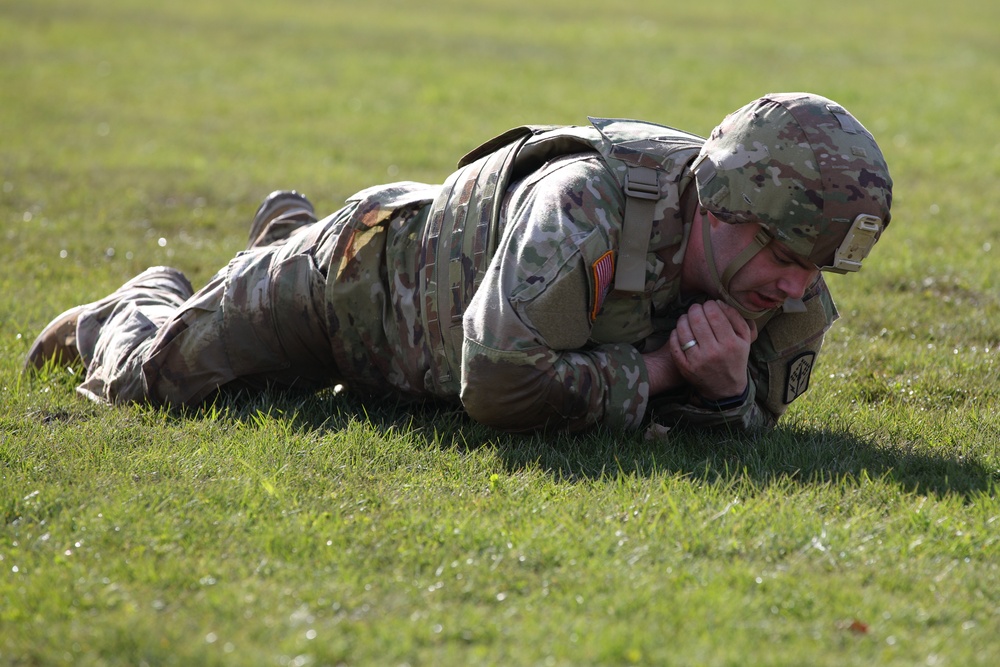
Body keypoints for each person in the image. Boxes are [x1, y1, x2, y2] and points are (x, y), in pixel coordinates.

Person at [24, 92, 892, 434]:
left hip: (427, 321)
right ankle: (134, 305)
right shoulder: (587, 207)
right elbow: (499, 382)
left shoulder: (790, 294)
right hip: (358, 286)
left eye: (815, 269)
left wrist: (730, 393)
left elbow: (756, 434)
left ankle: (274, 235)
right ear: (725, 205)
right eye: (783, 255)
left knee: (273, 396)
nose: (794, 286)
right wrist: (667, 369)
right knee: (159, 385)